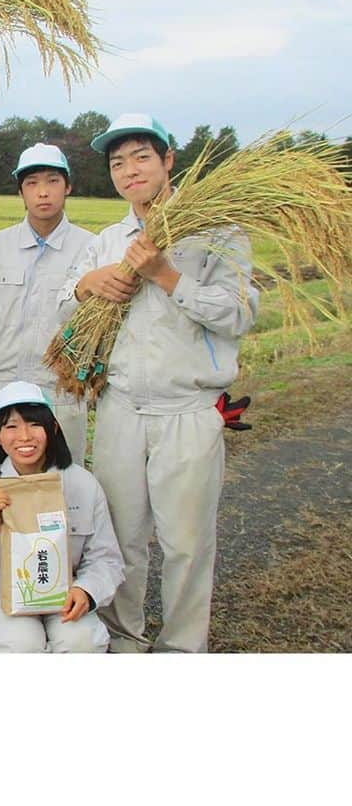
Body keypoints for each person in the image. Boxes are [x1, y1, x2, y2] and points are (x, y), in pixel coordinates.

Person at [60, 112, 258, 652]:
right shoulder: (106, 242)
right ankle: (125, 639)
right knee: (121, 538)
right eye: (118, 162)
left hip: (188, 411)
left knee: (186, 543)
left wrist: (167, 276)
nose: (129, 170)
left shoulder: (216, 233)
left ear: (169, 160)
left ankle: (180, 649)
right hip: (120, 408)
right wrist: (85, 286)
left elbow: (239, 314)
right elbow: (62, 309)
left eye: (141, 157)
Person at [0, 381, 124, 653]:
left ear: (52, 428)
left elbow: (106, 557)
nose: (25, 436)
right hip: (3, 593)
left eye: (34, 424)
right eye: (11, 426)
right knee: (20, 644)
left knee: (82, 641)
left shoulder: (83, 484)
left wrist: (86, 591)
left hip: (65, 589)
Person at [0, 143, 94, 464]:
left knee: (61, 488)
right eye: (32, 183)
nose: (43, 192)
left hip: (60, 390)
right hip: (2, 382)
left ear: (67, 186)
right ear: (21, 191)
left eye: (53, 181)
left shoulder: (92, 249)